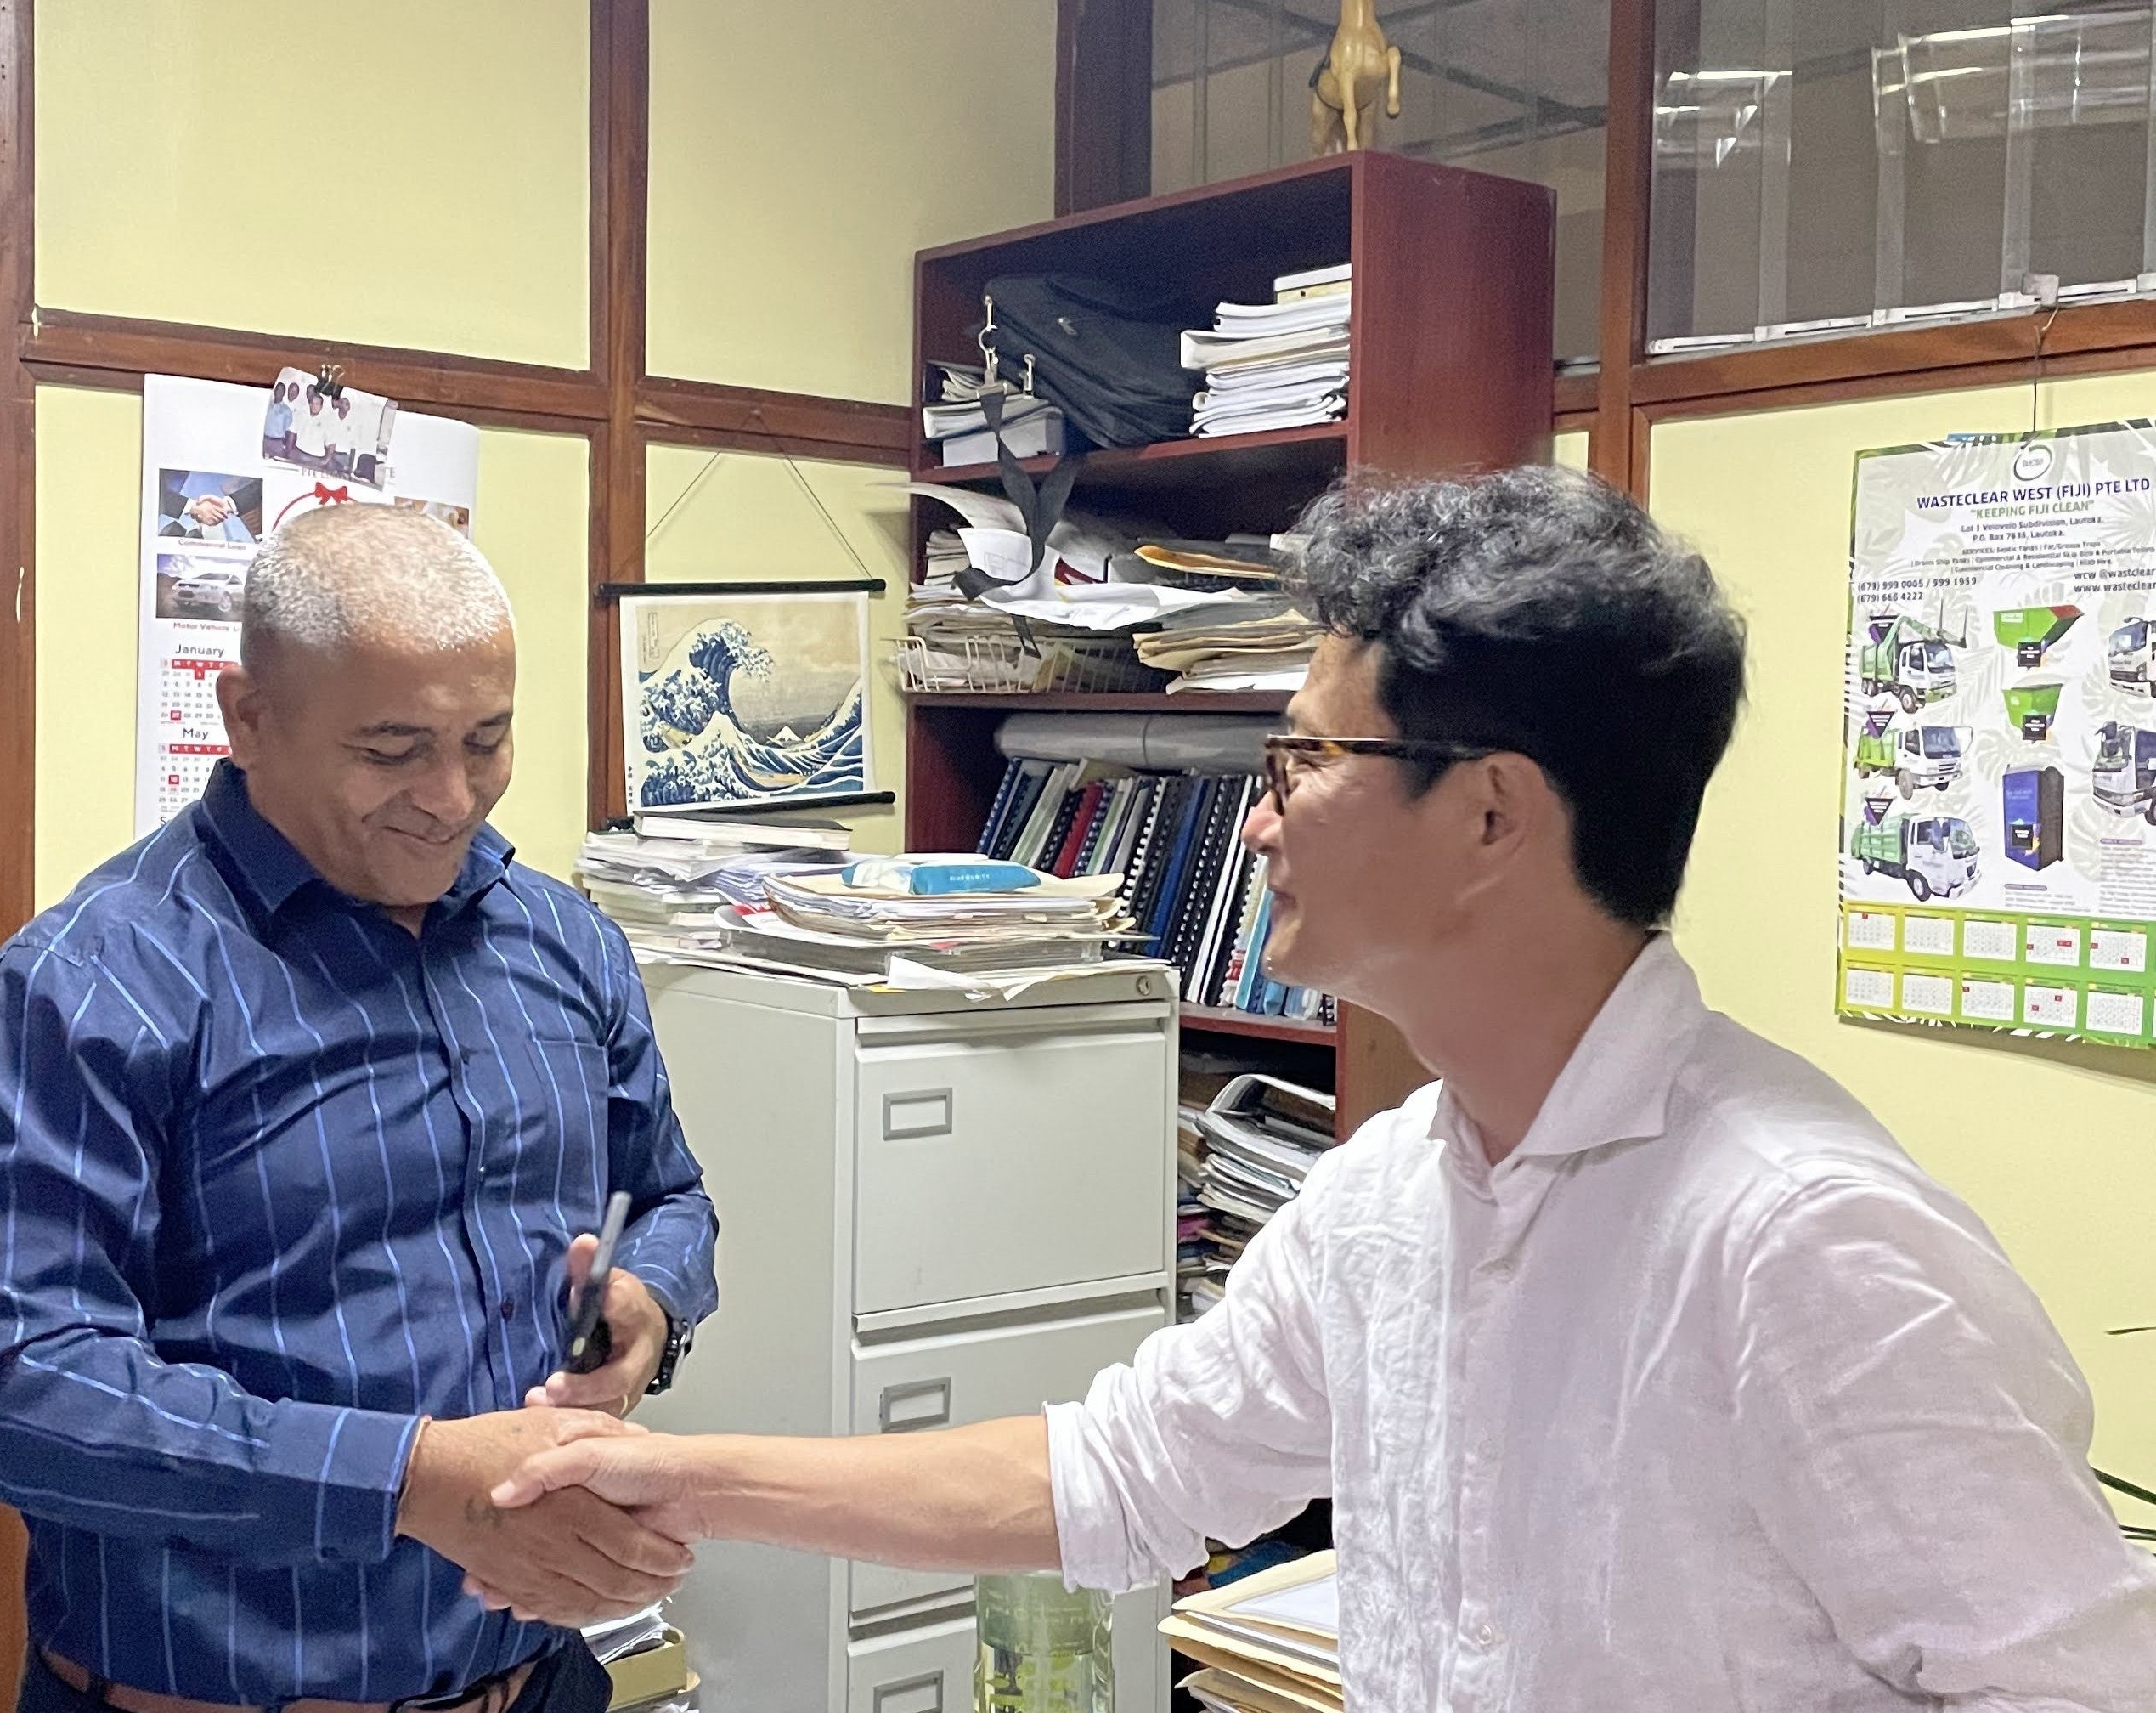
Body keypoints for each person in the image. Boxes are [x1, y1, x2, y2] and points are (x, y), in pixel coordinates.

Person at [486, 466, 2156, 1710]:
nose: (1261, 816)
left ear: (1492, 815)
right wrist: (682, 1479)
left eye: (1302, 758)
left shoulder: (1804, 1241)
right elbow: (1121, 1476)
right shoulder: (1392, 1190)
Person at [0, 505, 718, 1713]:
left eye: (487, 740)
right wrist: (405, 1478)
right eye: (392, 750)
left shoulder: (563, 941)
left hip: (540, 1682)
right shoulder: (90, 988)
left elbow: (666, 1194)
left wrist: (650, 1298)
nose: (452, 798)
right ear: (248, 719)